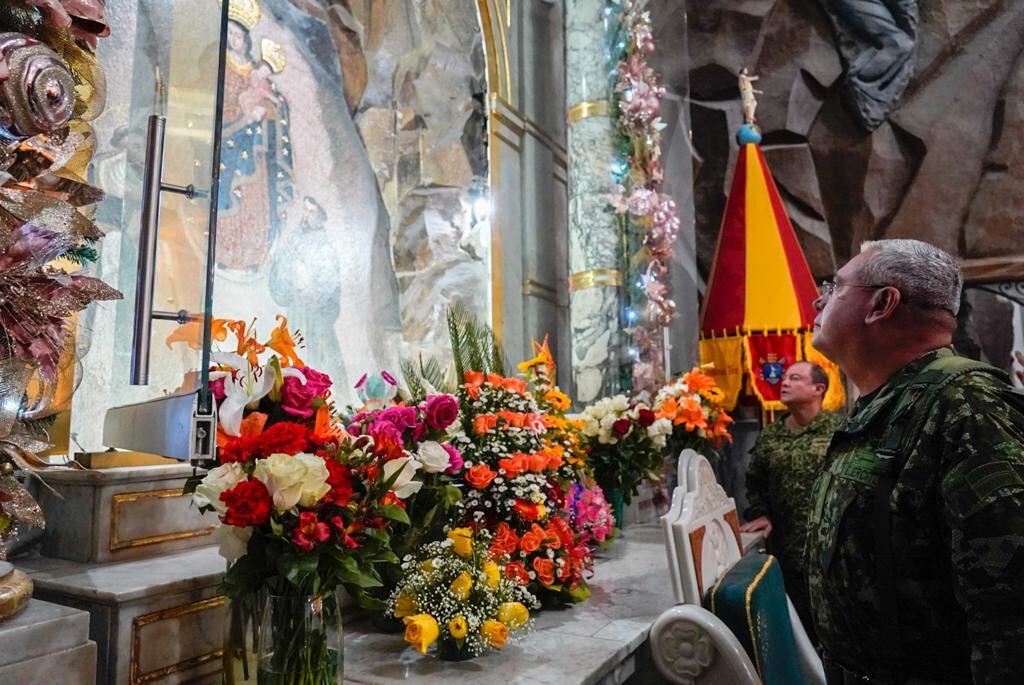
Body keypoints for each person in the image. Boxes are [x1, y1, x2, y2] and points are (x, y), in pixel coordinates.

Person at [806, 239, 1024, 684]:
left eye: (834, 286)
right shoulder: (893, 399)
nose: (818, 299)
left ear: (881, 304)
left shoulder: (966, 405)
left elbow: (1010, 605)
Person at [740, 361, 842, 643]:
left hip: (834, 558)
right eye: (784, 378)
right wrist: (761, 513)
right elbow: (755, 482)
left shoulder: (839, 430)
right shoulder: (771, 435)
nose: (784, 383)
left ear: (818, 389)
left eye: (795, 378)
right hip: (786, 555)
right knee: (795, 635)